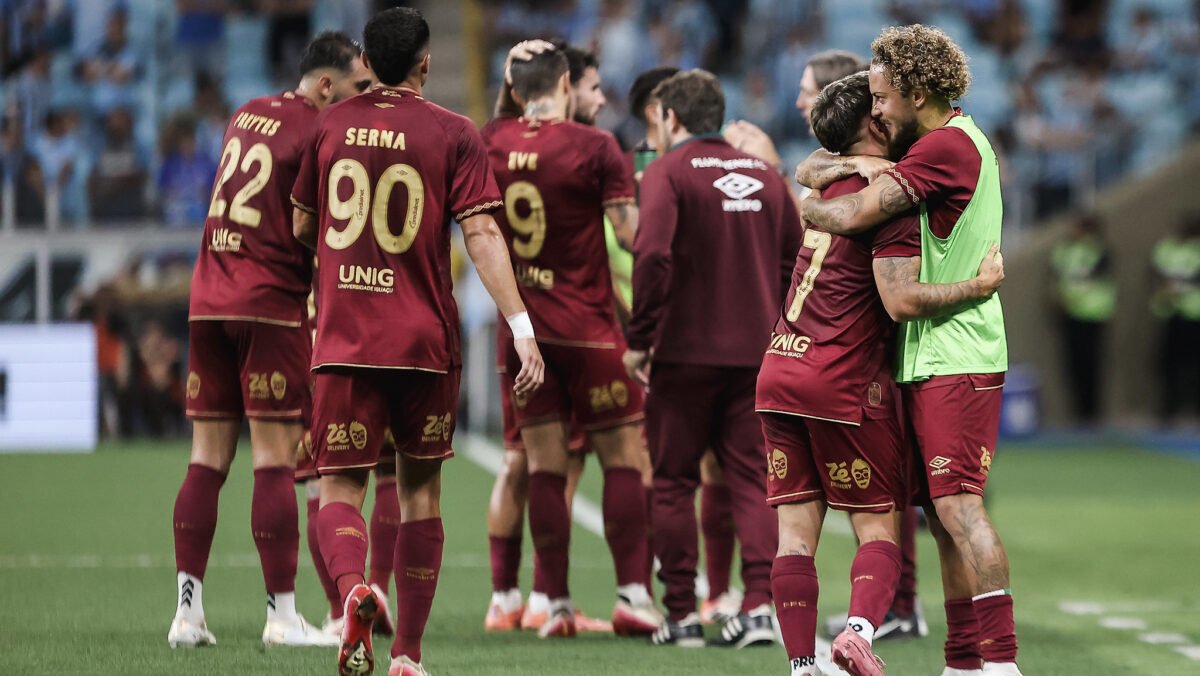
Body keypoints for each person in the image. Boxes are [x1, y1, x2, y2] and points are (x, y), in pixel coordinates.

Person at [289, 9, 544, 676]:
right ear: (425, 63)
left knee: (339, 485)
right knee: (420, 491)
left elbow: (299, 225)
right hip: (423, 340)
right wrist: (521, 327)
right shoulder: (455, 132)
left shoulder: (330, 126)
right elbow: (484, 237)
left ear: (365, 64)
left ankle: (351, 594)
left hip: (346, 338)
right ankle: (407, 657)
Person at [794, 24, 1020, 676]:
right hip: (930, 354)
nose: (878, 109)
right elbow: (815, 162)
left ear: (917, 92)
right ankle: (962, 662)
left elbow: (842, 215)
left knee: (959, 507)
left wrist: (821, 192)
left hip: (959, 353)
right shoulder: (942, 141)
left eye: (884, 96)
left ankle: (1002, 664)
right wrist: (841, 165)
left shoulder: (944, 150)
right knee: (940, 514)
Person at [169, 31, 373, 650]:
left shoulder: (245, 112)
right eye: (360, 88)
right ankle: (282, 616)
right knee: (274, 463)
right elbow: (318, 231)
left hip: (207, 300)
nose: (365, 99)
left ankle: (187, 612)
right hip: (269, 308)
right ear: (327, 85)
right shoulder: (319, 132)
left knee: (206, 460)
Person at [481, 47, 661, 640]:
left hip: (525, 333)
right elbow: (630, 235)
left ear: (513, 86)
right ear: (564, 82)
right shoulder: (596, 148)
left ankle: (553, 603)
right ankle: (634, 594)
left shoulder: (493, 139)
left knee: (545, 470)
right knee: (624, 460)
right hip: (588, 330)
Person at [625, 69, 802, 648]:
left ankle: (680, 615)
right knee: (753, 480)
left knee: (674, 481)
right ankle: (757, 607)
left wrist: (641, 337)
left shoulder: (666, 172)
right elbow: (793, 266)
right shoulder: (768, 178)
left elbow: (651, 256)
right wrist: (778, 331)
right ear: (720, 117)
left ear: (670, 119)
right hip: (755, 355)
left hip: (682, 353)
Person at [1050, 213, 1115, 424]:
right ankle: (1078, 412)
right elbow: (1056, 277)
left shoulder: (1100, 251)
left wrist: (1073, 296)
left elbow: (1097, 279)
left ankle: (1092, 413)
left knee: (1092, 364)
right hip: (1070, 314)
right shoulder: (1064, 250)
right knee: (1073, 364)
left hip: (1094, 314)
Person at [1151, 214, 1200, 424]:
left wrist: (1181, 289)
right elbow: (1154, 273)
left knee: (1195, 364)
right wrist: (1164, 289)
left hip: (1195, 314)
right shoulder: (1166, 249)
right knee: (1167, 363)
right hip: (1170, 313)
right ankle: (1169, 408)